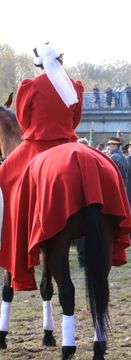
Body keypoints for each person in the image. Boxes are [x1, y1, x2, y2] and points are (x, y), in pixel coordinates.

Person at [0, 42, 84, 286]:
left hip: (36, 146)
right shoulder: (75, 86)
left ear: (38, 64)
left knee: (3, 177)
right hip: (69, 145)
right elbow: (75, 120)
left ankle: (9, 236)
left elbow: (24, 122)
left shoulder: (29, 85)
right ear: (61, 60)